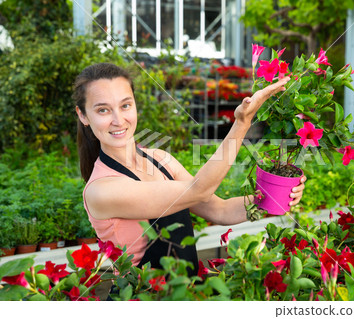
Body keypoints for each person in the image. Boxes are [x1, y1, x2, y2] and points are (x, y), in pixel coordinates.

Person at [73, 62, 306, 277]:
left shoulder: (160, 159)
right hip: (143, 299)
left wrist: (274, 197)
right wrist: (242, 122)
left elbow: (220, 210)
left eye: (125, 105)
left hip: (185, 292)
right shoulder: (100, 190)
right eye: (103, 110)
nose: (118, 119)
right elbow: (199, 190)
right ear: (83, 115)